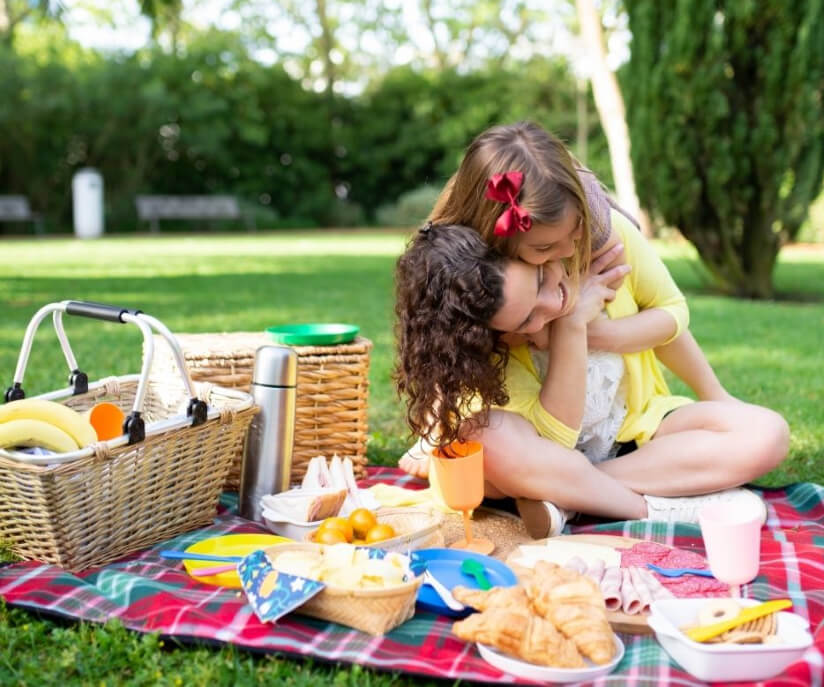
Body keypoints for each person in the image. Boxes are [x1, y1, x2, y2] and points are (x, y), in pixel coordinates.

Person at [394, 222, 789, 537]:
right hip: (543, 454)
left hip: (636, 436)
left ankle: (569, 500)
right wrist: (571, 326)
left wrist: (715, 395)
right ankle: (650, 507)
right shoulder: (492, 319)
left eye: (540, 282)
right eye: (526, 319)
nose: (552, 304)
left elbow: (669, 321)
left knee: (767, 432)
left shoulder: (601, 249)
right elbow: (556, 444)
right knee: (485, 438)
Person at [400, 121, 735, 488]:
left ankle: (578, 488)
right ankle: (579, 486)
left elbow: (673, 311)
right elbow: (446, 349)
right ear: (496, 241)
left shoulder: (606, 240)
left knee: (764, 436)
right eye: (543, 250)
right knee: (486, 455)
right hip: (536, 440)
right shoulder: (479, 284)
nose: (568, 251)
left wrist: (596, 331)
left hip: (626, 424)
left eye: (575, 232)